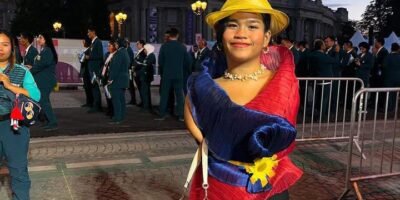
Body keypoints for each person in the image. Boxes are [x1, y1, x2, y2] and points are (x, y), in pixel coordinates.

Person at [183, 0, 302, 199]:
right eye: (232, 25)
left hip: (272, 192)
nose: (241, 33)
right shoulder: (200, 92)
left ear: (266, 38)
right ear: (220, 35)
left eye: (252, 26)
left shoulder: (284, 83)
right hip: (219, 191)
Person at [0, 30, 40, 200]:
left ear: (12, 48)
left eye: (5, 44)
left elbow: (36, 95)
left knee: (18, 172)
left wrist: (9, 85)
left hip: (13, 127)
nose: (0, 48)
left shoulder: (21, 71)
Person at [156, 28, 191, 121]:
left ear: (169, 35)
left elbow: (160, 62)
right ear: (177, 35)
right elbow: (187, 62)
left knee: (164, 95)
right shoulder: (182, 47)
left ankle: (162, 114)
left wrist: (162, 73)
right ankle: (181, 115)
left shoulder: (164, 46)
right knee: (180, 95)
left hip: (167, 75)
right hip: (179, 75)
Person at [28, 32, 58, 131]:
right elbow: (40, 65)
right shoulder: (44, 50)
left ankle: (53, 123)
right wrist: (31, 67)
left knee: (44, 101)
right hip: (43, 80)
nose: (38, 39)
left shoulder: (47, 51)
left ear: (45, 39)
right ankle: (49, 121)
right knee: (44, 101)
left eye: (40, 38)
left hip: (46, 81)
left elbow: (40, 65)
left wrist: (29, 70)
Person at [107, 38, 130, 123]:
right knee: (121, 99)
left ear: (119, 44)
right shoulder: (125, 52)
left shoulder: (119, 53)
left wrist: (110, 79)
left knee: (116, 99)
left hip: (117, 80)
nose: (115, 45)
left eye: (116, 43)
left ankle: (117, 117)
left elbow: (115, 68)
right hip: (123, 79)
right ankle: (121, 116)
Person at [86, 26, 104, 113]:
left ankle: (97, 106)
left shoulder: (98, 42)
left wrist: (89, 57)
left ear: (93, 32)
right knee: (93, 87)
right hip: (91, 68)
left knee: (95, 87)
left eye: (89, 32)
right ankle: (95, 105)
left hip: (95, 69)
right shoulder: (93, 43)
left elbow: (100, 56)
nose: (88, 34)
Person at [383, 42, 400, 110]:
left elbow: (384, 66)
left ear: (391, 48)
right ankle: (394, 107)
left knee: (389, 93)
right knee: (396, 93)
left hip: (389, 77)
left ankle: (389, 108)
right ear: (398, 49)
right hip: (398, 78)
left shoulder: (388, 56)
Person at [139, 43, 156, 111]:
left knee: (145, 91)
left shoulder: (151, 56)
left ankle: (146, 106)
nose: (144, 51)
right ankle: (146, 105)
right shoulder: (148, 56)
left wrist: (138, 72)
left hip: (146, 77)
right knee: (145, 91)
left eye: (145, 49)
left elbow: (146, 65)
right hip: (145, 76)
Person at [79, 36, 93, 108]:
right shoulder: (85, 50)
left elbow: (88, 60)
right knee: (86, 87)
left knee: (88, 87)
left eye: (84, 41)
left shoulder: (90, 50)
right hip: (85, 71)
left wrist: (84, 58)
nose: (83, 42)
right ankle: (88, 102)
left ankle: (90, 103)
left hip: (87, 71)